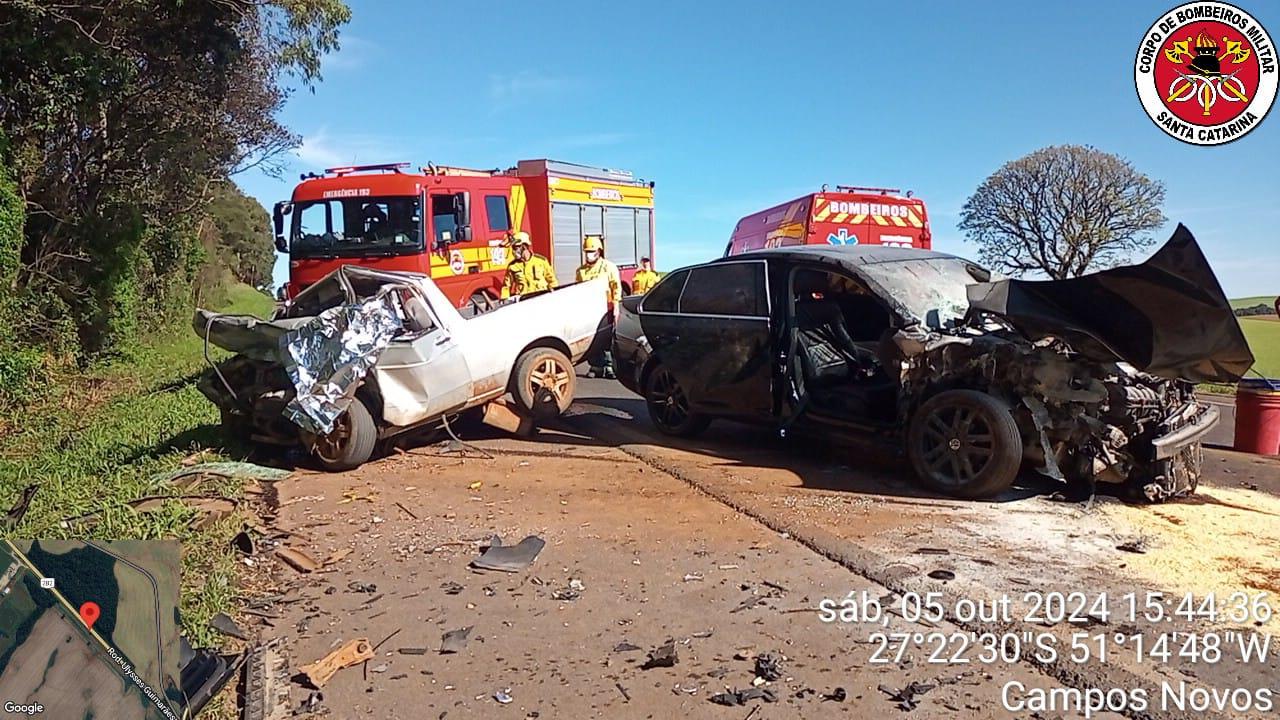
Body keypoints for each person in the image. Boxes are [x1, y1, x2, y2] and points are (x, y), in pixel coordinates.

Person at [576, 235, 622, 378]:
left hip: (605, 308)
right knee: (592, 339)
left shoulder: (609, 267)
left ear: (599, 251)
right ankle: (596, 366)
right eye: (586, 252)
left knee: (607, 338)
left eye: (591, 251)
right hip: (588, 310)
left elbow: (616, 287)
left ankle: (609, 367)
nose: (588, 254)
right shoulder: (581, 271)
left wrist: (616, 306)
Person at [504, 232, 557, 296]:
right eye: (513, 248)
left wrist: (554, 295)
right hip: (524, 300)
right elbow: (506, 287)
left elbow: (552, 281)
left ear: (524, 247)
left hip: (541, 298)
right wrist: (504, 299)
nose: (513, 251)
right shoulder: (512, 266)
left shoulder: (541, 261)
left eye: (515, 248)